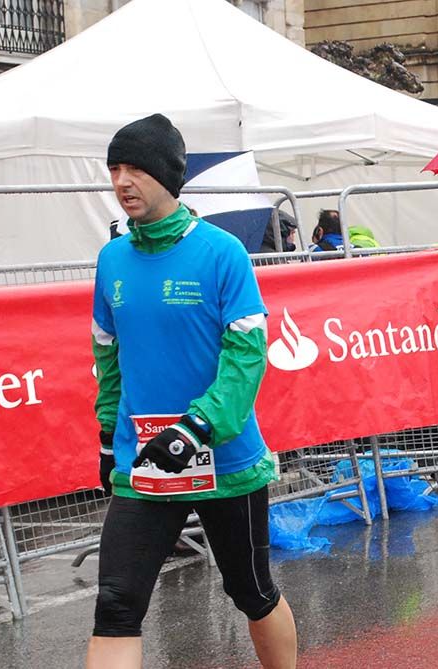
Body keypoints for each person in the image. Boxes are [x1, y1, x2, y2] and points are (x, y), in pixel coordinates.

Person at [89, 114, 297, 669]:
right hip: (146, 463)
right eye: (114, 169)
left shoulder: (221, 252)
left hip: (223, 458)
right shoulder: (111, 260)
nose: (122, 182)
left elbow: (246, 354)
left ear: (167, 176)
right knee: (116, 605)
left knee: (250, 593)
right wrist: (109, 433)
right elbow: (107, 356)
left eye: (135, 169)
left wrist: (198, 426)